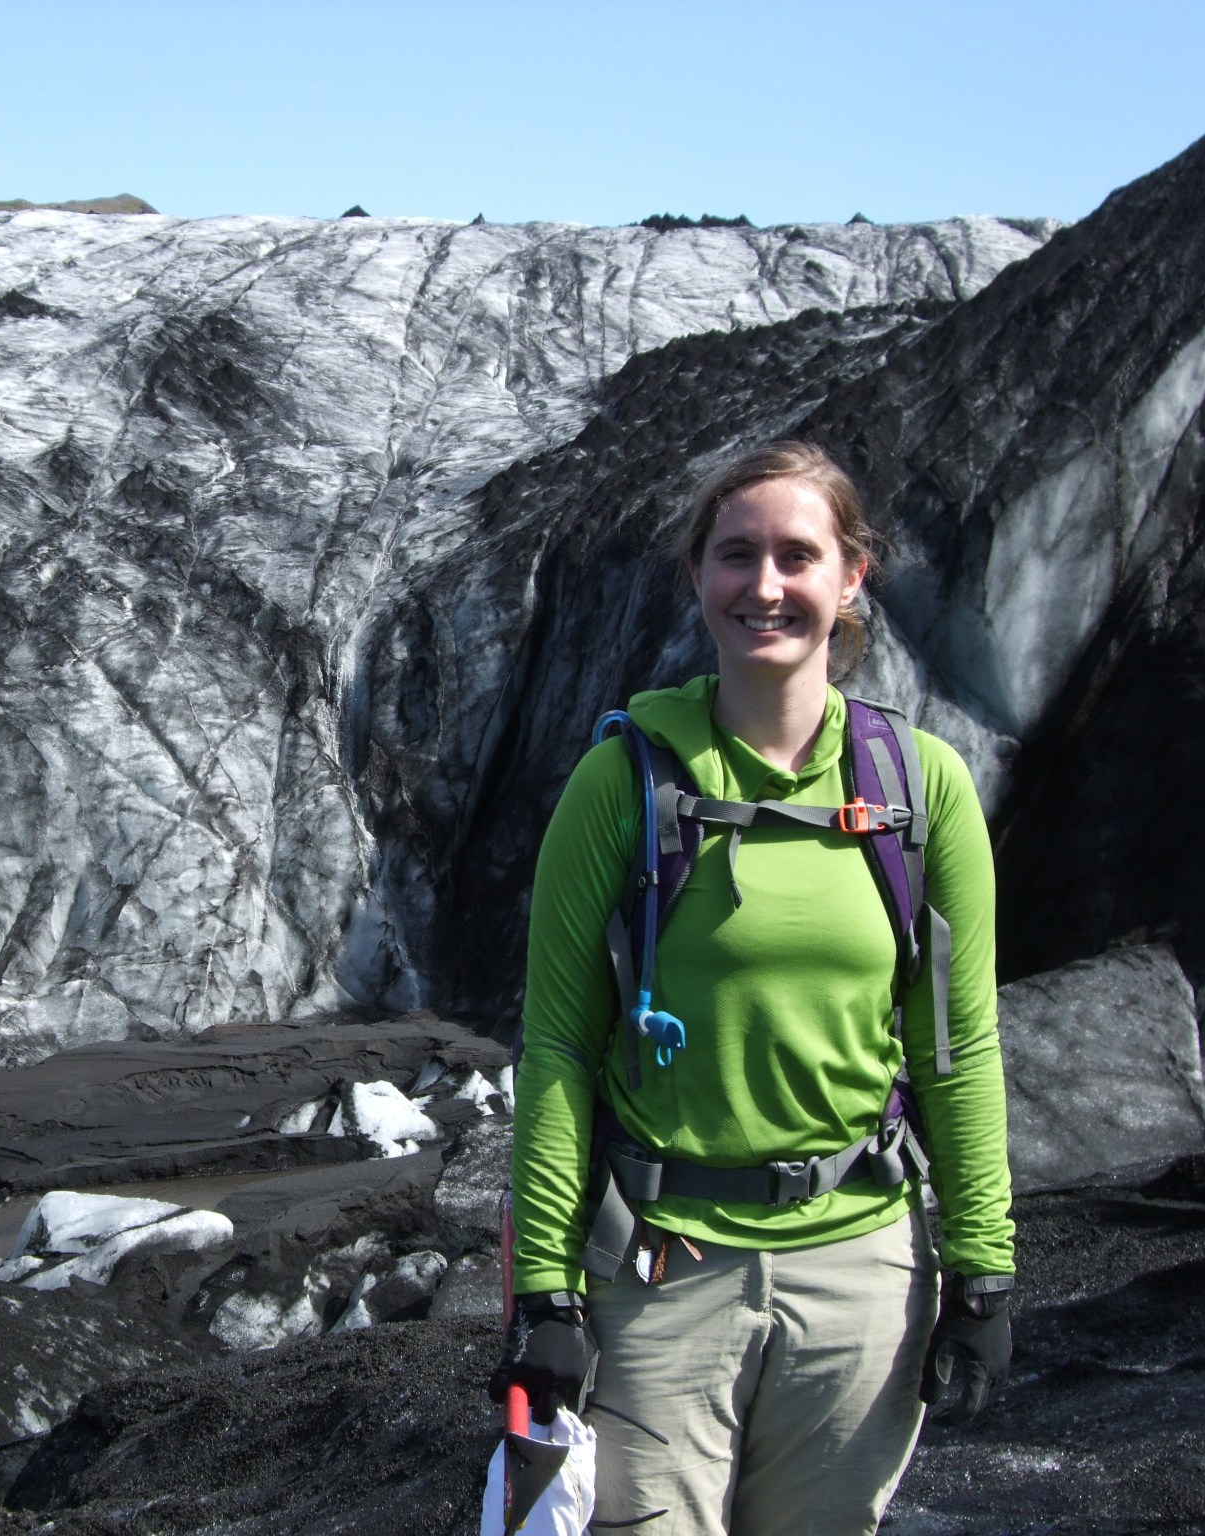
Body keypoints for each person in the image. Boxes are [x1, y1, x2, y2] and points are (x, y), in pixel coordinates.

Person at [488, 441, 1014, 1535]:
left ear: (849, 576)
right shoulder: (621, 782)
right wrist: (543, 1293)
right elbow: (556, 1054)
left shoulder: (921, 792)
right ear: (696, 574)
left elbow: (955, 1053)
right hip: (660, 1268)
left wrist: (981, 1273)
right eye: (735, 556)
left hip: (862, 1272)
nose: (763, 586)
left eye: (795, 556)